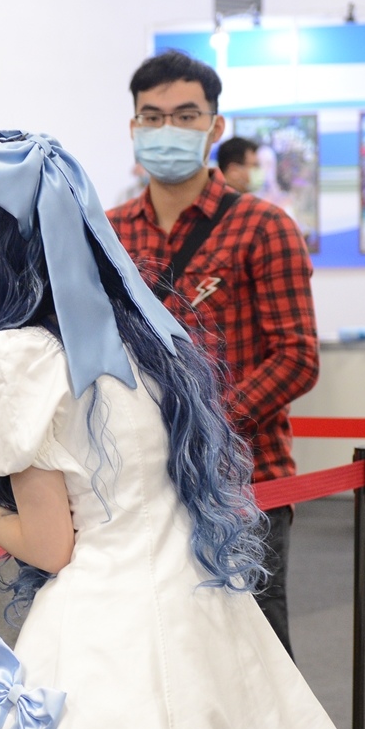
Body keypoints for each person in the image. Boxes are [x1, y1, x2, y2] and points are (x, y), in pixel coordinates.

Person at [0, 129, 358, 729]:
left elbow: (50, 546)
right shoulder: (145, 336)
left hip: (101, 627)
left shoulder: (15, 357)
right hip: (205, 612)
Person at [107, 50, 318, 656]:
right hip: (133, 482)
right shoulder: (108, 231)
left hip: (241, 481)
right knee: (153, 650)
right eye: (152, 117)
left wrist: (198, 424)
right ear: (134, 126)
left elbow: (296, 357)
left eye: (185, 115)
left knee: (253, 652)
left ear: (215, 126)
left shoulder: (264, 226)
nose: (167, 129)